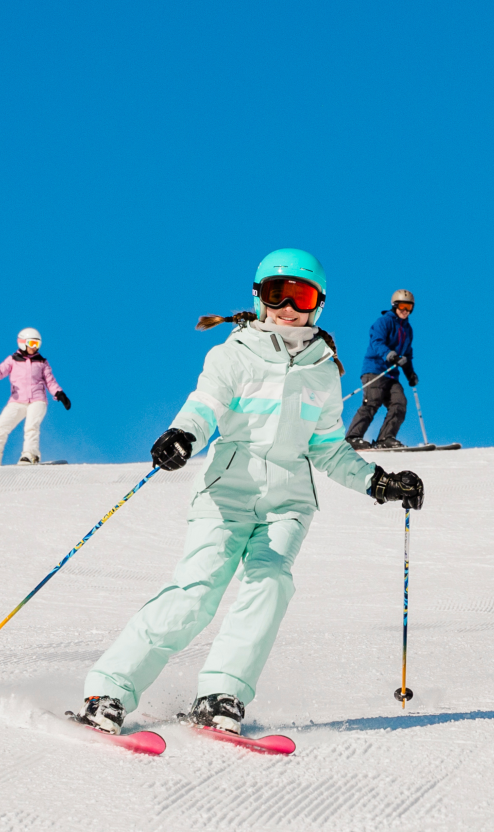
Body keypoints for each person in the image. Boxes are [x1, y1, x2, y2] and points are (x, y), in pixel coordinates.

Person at [75, 249, 424, 736]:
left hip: (288, 503)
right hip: (227, 493)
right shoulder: (233, 353)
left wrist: (376, 481)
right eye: (274, 294)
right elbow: (205, 405)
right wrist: (183, 435)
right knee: (197, 591)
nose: (286, 306)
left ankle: (222, 694)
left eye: (298, 295)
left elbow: (325, 447)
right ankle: (109, 689)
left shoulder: (325, 369)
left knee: (270, 583)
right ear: (257, 298)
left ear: (317, 303)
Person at [346, 290, 419, 450]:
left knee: (399, 403)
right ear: (395, 306)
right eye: (402, 306)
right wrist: (390, 355)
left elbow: (407, 354)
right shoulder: (384, 322)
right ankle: (352, 437)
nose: (405, 310)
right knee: (373, 401)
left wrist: (410, 374)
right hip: (375, 370)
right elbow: (377, 342)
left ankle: (386, 438)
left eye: (409, 307)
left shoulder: (408, 330)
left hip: (392, 375)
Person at [0, 328, 71, 465]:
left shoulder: (42, 362)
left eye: (37, 344)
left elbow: (50, 381)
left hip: (38, 400)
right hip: (17, 401)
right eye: (32, 343)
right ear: (22, 343)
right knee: (1, 426)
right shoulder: (13, 360)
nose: (34, 347)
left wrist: (59, 393)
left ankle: (30, 454)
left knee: (31, 427)